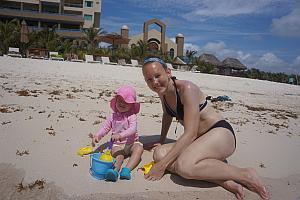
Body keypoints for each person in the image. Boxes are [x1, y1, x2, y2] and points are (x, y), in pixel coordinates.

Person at [141, 57, 269, 200]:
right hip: (198, 139)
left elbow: (190, 133)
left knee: (184, 167)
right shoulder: (162, 92)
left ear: (168, 72)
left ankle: (244, 174)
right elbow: (167, 114)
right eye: (149, 80)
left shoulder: (186, 89)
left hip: (220, 134)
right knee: (159, 153)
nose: (154, 82)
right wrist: (161, 140)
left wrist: (162, 166)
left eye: (157, 76)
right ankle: (222, 180)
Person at [92, 86, 144, 182]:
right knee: (119, 156)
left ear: (132, 105)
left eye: (125, 101)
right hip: (118, 145)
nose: (121, 103)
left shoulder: (132, 116)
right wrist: (98, 136)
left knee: (139, 148)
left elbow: (133, 129)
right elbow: (105, 128)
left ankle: (127, 170)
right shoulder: (113, 117)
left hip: (131, 143)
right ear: (115, 102)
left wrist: (121, 135)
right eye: (119, 100)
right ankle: (115, 171)